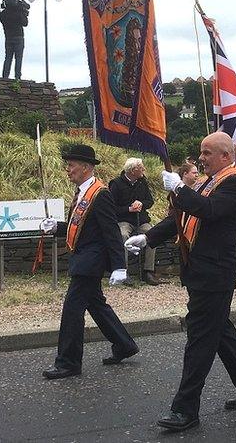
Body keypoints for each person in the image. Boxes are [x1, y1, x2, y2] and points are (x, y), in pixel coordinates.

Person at [126, 132, 236, 432]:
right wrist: (148, 237)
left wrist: (179, 187)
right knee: (220, 332)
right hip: (201, 272)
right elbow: (182, 218)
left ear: (225, 156)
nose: (200, 158)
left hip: (215, 274)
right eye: (201, 152)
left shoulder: (235, 184)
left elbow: (208, 211)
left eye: (207, 153)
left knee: (200, 340)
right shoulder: (208, 182)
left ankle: (185, 409)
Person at [41, 144, 138, 380]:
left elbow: (111, 232)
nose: (67, 169)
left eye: (71, 165)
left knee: (72, 310)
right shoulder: (83, 192)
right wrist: (56, 227)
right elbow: (79, 228)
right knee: (96, 305)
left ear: (85, 168)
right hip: (83, 258)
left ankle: (68, 362)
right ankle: (124, 344)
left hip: (90, 262)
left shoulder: (100, 193)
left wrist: (119, 266)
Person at [109, 158, 159, 285]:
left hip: (141, 220)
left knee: (152, 234)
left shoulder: (142, 182)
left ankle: (148, 270)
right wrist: (129, 209)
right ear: (132, 170)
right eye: (141, 167)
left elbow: (150, 201)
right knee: (122, 234)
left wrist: (141, 203)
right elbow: (111, 208)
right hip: (124, 220)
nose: (144, 169)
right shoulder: (116, 184)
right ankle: (123, 271)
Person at [0, 0, 29, 79]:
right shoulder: (18, 12)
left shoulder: (3, 14)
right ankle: (17, 77)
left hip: (8, 37)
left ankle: (5, 76)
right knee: (18, 58)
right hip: (18, 37)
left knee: (8, 58)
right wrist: (23, 11)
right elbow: (25, 23)